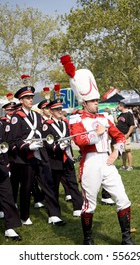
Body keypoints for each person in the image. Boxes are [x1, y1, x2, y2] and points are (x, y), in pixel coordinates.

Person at [60, 54, 135, 245]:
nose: (96, 103)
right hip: (90, 162)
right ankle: (88, 239)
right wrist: (98, 133)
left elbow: (119, 136)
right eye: (93, 101)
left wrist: (116, 152)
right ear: (84, 102)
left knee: (123, 199)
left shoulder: (105, 117)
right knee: (89, 204)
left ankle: (126, 238)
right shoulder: (76, 118)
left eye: (96, 100)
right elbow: (80, 140)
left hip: (107, 161)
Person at [8, 84, 66, 226]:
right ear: (21, 100)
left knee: (48, 184)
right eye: (27, 98)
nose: (30, 100)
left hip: (40, 155)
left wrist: (53, 144)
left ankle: (53, 215)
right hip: (25, 158)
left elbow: (42, 133)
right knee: (26, 188)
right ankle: (24, 216)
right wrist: (28, 146)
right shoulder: (16, 117)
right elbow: (13, 140)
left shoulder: (36, 115)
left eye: (31, 97)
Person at [42, 98, 83, 217]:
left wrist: (71, 155)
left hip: (67, 159)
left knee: (73, 184)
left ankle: (78, 207)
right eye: (56, 109)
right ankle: (54, 213)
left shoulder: (64, 123)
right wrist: (59, 146)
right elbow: (47, 144)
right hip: (55, 160)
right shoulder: (46, 125)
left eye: (60, 109)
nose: (60, 111)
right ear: (51, 111)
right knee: (53, 187)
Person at [0, 119, 22, 241]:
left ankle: (10, 227)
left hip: (1, 165)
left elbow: (4, 144)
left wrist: (6, 164)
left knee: (7, 195)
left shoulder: (0, 124)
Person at [116, 102, 135, 171]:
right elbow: (116, 122)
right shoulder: (121, 114)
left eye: (118, 107)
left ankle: (130, 166)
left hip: (125, 135)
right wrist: (114, 114)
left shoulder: (128, 114)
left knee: (128, 150)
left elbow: (132, 125)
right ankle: (124, 165)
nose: (117, 108)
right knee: (123, 151)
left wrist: (128, 134)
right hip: (120, 136)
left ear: (122, 106)